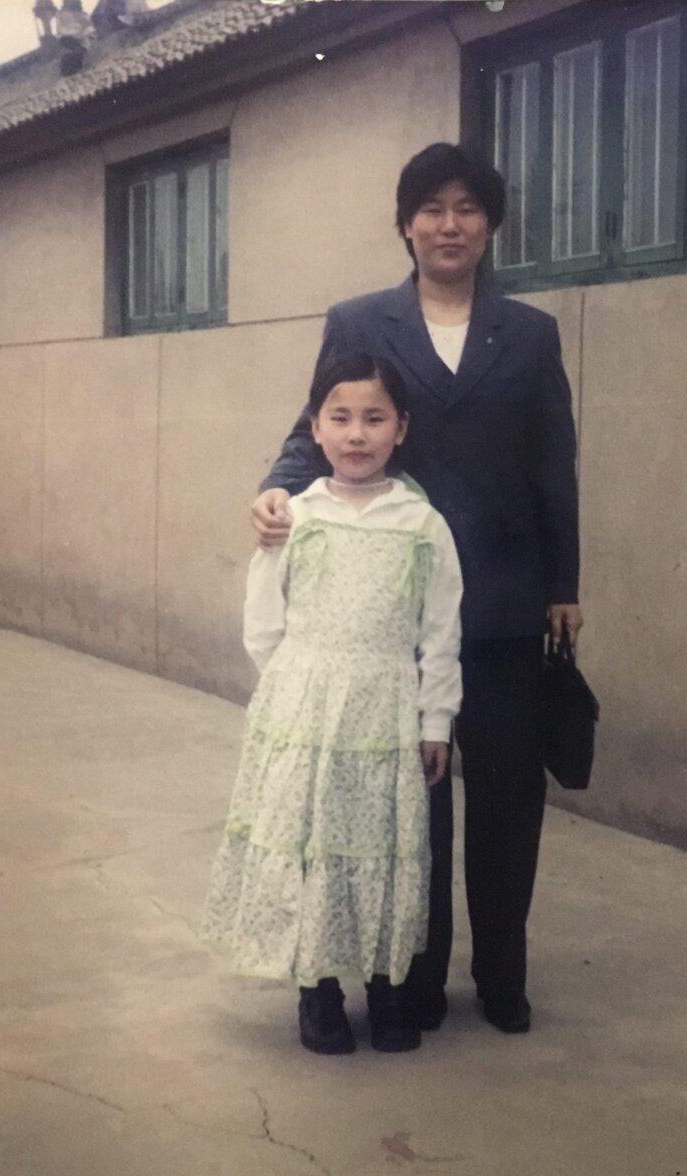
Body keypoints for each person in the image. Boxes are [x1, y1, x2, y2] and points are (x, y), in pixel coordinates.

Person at [252, 143, 583, 1034]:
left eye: (468, 208)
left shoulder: (530, 332)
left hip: (508, 607)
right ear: (405, 224)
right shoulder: (361, 321)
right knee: (414, 810)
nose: (449, 224)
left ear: (490, 226)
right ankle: (416, 978)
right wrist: (277, 489)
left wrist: (563, 581)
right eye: (431, 208)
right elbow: (310, 425)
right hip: (397, 611)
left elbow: (556, 463)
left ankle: (504, 978)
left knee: (510, 804)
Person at [204, 351, 463, 1055]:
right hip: (307, 711)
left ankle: (386, 990)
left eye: (374, 418)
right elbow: (264, 616)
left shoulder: (421, 525)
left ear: (401, 428)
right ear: (314, 429)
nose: (356, 435)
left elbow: (441, 633)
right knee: (315, 848)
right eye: (340, 418)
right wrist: (290, 688)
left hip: (385, 712)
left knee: (379, 848)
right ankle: (317, 991)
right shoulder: (298, 518)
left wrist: (434, 720)